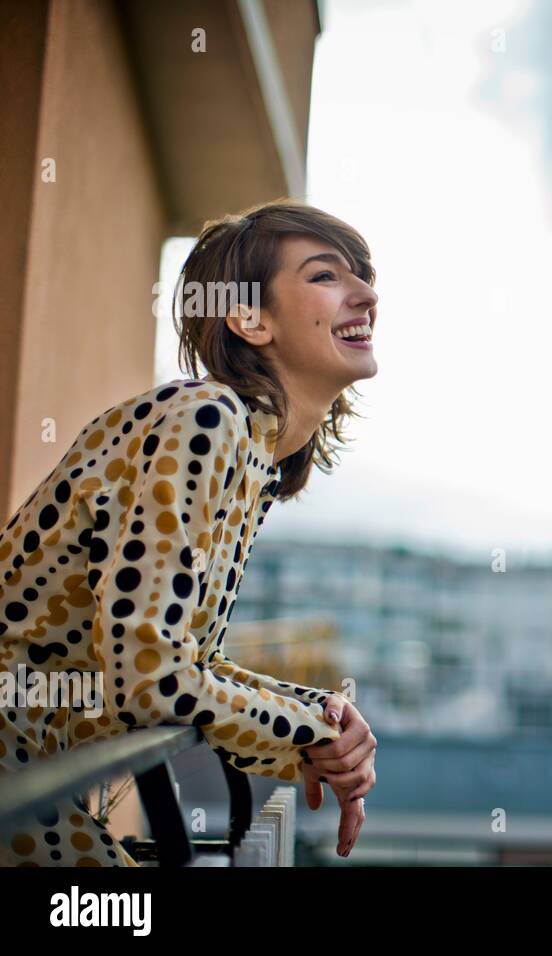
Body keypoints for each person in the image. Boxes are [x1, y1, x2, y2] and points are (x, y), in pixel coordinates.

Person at [0, 200, 379, 865]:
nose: (367, 294)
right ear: (248, 317)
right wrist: (304, 734)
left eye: (363, 276)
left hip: (37, 769)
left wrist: (319, 718)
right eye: (326, 276)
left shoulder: (250, 453)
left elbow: (182, 665)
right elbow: (150, 679)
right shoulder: (206, 420)